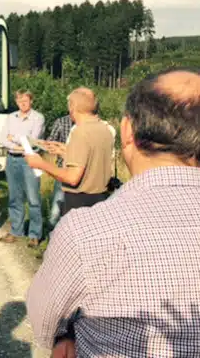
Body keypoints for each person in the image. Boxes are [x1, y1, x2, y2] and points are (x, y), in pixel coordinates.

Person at [27, 68, 200, 356]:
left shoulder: (85, 231)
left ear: (128, 130)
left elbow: (44, 320)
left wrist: (40, 163)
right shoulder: (102, 129)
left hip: (82, 199)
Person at [25, 88, 114, 216]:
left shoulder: (80, 132)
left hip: (80, 202)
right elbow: (92, 160)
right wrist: (66, 151)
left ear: (73, 107)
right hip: (100, 198)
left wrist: (40, 164)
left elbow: (72, 178)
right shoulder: (105, 129)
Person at [0, 90, 45, 247]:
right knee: (14, 197)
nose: (22, 103)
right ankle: (16, 231)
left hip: (30, 160)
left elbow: (32, 142)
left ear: (31, 101)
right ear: (16, 102)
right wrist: (18, 146)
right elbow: (2, 139)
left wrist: (15, 138)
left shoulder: (38, 118)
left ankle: (35, 234)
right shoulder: (11, 117)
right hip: (12, 160)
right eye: (19, 101)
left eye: (25, 100)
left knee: (33, 198)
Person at [39, 114, 73, 229]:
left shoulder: (88, 126)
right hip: (62, 168)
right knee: (56, 208)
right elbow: (51, 140)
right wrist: (48, 145)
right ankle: (51, 235)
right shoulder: (62, 121)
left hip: (83, 171)